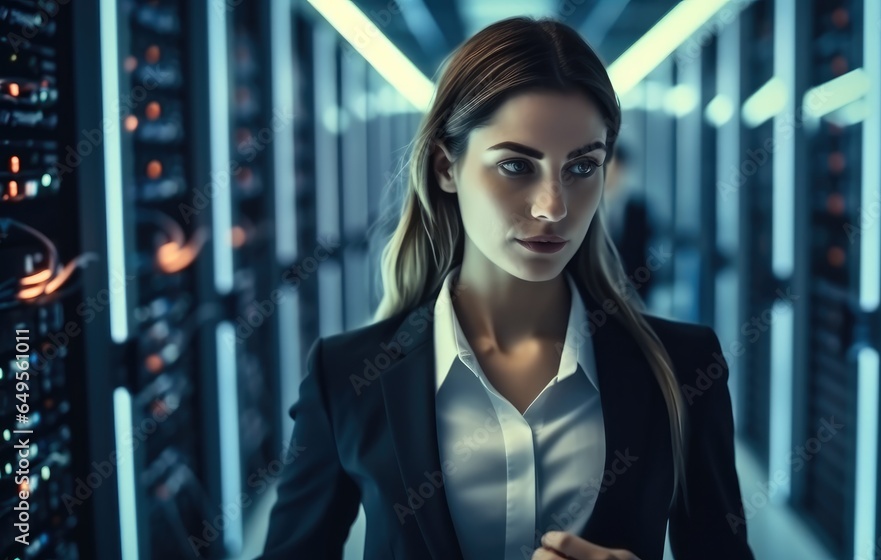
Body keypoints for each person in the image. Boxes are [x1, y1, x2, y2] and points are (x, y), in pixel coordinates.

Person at [258, 16, 753, 560]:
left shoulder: (682, 367)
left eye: (582, 167)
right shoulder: (348, 378)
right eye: (517, 165)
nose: (554, 207)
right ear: (447, 167)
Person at [602, 143, 653, 303]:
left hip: (631, 294)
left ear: (620, 168)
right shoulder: (587, 205)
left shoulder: (638, 209)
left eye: (609, 165)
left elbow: (643, 254)